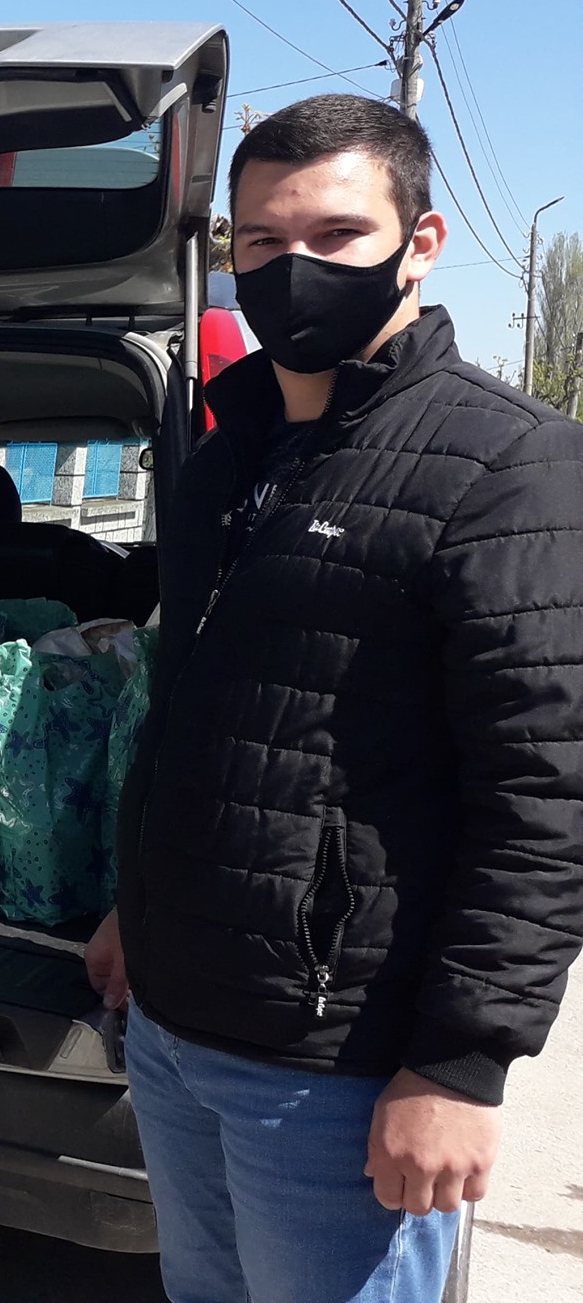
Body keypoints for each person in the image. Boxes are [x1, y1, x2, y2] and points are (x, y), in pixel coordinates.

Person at [87, 95, 583, 1302]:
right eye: (261, 241)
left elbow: (544, 797)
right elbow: (195, 719)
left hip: (335, 1061)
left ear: (419, 242)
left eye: (334, 235)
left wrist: (457, 1066)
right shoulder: (222, 461)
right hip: (172, 1024)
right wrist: (133, 910)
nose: (290, 268)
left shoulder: (508, 464)